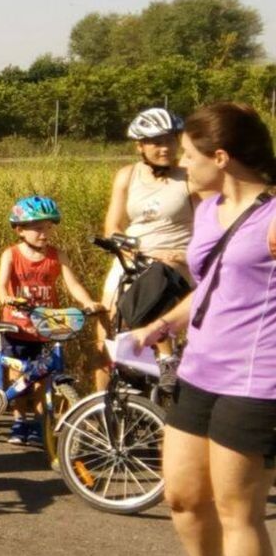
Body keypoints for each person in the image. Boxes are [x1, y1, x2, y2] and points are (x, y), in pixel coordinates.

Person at [136, 102, 276, 556]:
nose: (183, 166)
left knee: (238, 509)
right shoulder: (212, 206)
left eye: (190, 157)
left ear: (221, 157)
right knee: (184, 496)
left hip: (256, 380)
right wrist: (166, 321)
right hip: (200, 369)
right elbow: (215, 279)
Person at [94, 108, 196, 387]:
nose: (164, 148)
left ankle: (166, 366)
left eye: (170, 140)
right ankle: (101, 409)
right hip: (132, 256)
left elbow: (210, 224)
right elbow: (113, 225)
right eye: (155, 141)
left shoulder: (190, 177)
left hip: (174, 260)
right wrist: (121, 246)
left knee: (155, 304)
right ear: (140, 145)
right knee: (105, 328)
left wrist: (185, 255)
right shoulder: (127, 175)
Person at [0, 196, 101, 449]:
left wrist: (88, 302)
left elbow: (72, 283)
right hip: (17, 326)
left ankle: (41, 423)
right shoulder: (11, 255)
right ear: (20, 229)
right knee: (19, 375)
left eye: (48, 227)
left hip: (46, 327)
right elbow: (0, 285)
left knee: (43, 378)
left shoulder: (56, 255)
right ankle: (20, 420)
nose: (44, 233)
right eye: (38, 228)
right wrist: (7, 298)